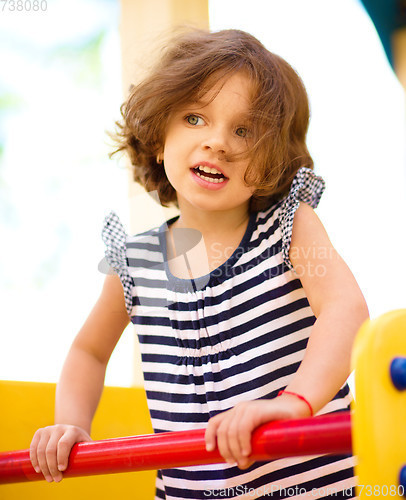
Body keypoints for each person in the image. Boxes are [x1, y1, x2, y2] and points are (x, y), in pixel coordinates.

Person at [29, 28, 369, 499]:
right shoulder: (137, 262)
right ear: (158, 140)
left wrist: (294, 404)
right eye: (194, 118)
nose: (218, 141)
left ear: (272, 158)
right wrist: (71, 424)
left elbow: (346, 311)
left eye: (244, 130)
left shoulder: (289, 226)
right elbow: (88, 351)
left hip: (316, 488)